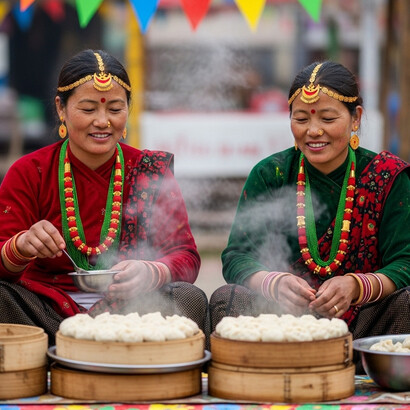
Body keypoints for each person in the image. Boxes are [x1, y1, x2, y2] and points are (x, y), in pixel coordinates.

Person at [209, 61, 410, 371]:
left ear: (355, 118)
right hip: (280, 323)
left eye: (328, 118)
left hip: (366, 327)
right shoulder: (271, 174)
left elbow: (406, 261)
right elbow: (237, 256)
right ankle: (261, 370)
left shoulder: (388, 177)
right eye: (301, 118)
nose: (313, 131)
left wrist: (358, 286)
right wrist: (272, 283)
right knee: (229, 297)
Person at [0, 49, 209, 346]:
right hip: (47, 312)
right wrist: (20, 246)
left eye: (114, 109)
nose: (102, 121)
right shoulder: (30, 171)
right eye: (88, 110)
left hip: (133, 313)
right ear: (61, 108)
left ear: (129, 109)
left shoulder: (149, 171)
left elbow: (186, 257)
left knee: (190, 298)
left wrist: (152, 271)